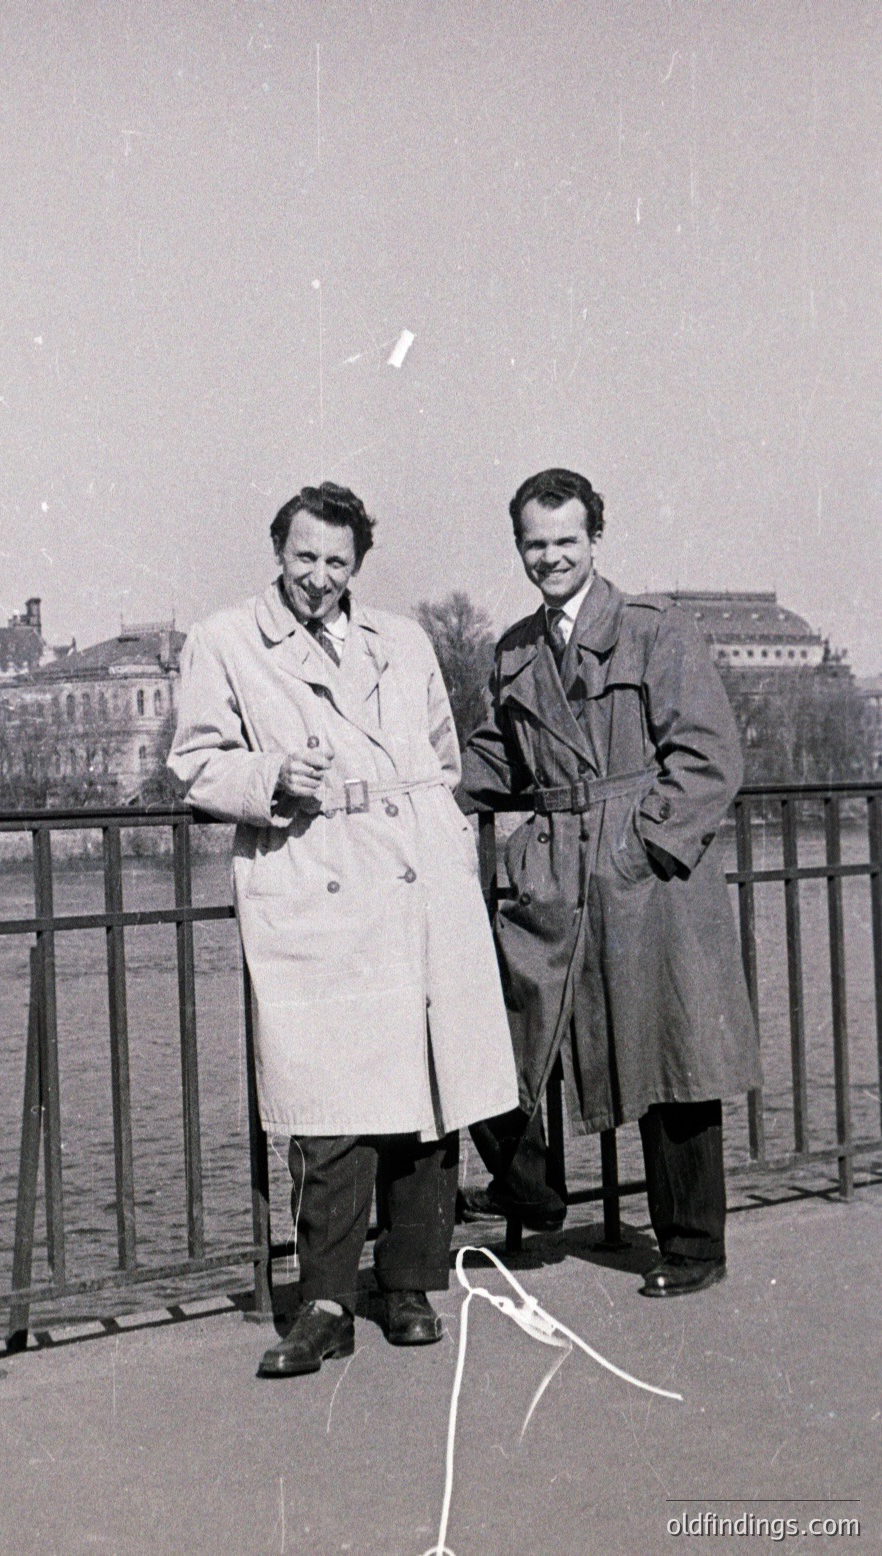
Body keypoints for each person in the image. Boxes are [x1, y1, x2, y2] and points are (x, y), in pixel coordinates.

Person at [167, 482, 520, 1377]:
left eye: (337, 561)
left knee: (426, 1095)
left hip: (413, 873)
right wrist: (276, 774)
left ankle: (408, 1284)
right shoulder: (224, 641)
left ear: (358, 563)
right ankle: (324, 1302)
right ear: (276, 551)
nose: (319, 578)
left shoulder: (401, 639)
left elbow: (442, 752)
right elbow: (196, 763)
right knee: (331, 1109)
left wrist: (434, 828)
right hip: (316, 875)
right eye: (304, 558)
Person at [459, 467, 761, 1297]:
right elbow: (496, 757)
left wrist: (642, 850)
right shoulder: (514, 648)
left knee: (673, 1052)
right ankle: (533, 1189)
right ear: (518, 546)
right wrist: (419, 786)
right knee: (486, 1019)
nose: (550, 557)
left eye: (565, 540)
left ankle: (694, 1246)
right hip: (554, 865)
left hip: (645, 872)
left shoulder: (653, 629)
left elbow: (708, 755)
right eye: (535, 543)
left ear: (596, 538)